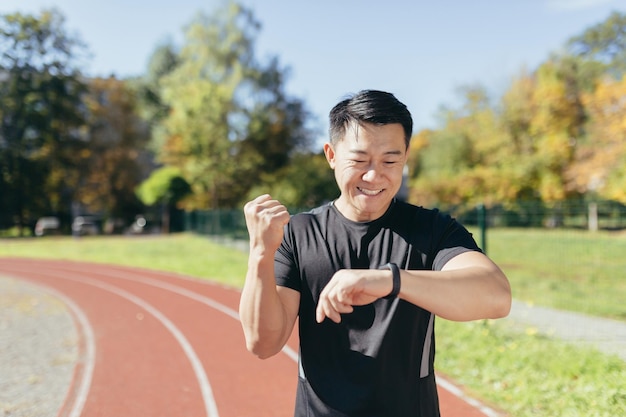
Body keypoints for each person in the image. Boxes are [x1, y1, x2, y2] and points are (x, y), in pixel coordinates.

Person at [239, 89, 512, 417]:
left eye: (390, 161)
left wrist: (390, 280)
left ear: (406, 158)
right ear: (331, 155)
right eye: (358, 160)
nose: (373, 175)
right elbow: (263, 343)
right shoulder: (298, 235)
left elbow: (497, 297)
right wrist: (259, 254)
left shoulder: (431, 230)